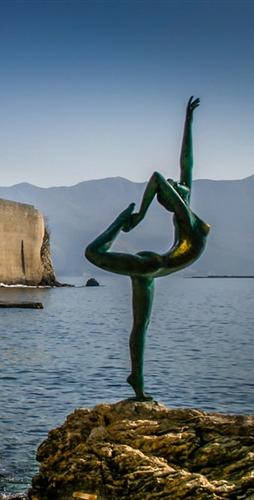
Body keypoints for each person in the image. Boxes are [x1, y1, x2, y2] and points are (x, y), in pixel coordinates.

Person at [84, 96, 210, 401]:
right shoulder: (186, 218)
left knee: (141, 326)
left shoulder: (187, 213)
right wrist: (137, 216)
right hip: (151, 265)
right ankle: (120, 221)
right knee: (92, 254)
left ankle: (137, 379)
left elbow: (187, 164)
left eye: (178, 186)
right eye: (175, 187)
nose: (179, 183)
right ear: (172, 198)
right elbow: (157, 178)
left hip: (154, 268)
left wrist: (188, 121)